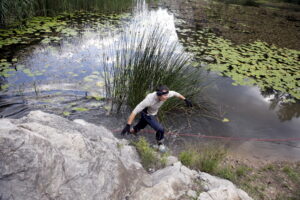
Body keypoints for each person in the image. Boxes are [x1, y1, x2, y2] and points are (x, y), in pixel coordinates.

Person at [121, 85, 192, 148]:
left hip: (152, 113)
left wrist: (185, 100)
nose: (167, 97)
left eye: (167, 95)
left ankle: (129, 133)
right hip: (147, 114)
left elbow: (176, 93)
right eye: (165, 96)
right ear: (159, 94)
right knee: (160, 129)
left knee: (139, 127)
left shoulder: (166, 94)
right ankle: (160, 143)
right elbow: (135, 111)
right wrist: (128, 125)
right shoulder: (149, 100)